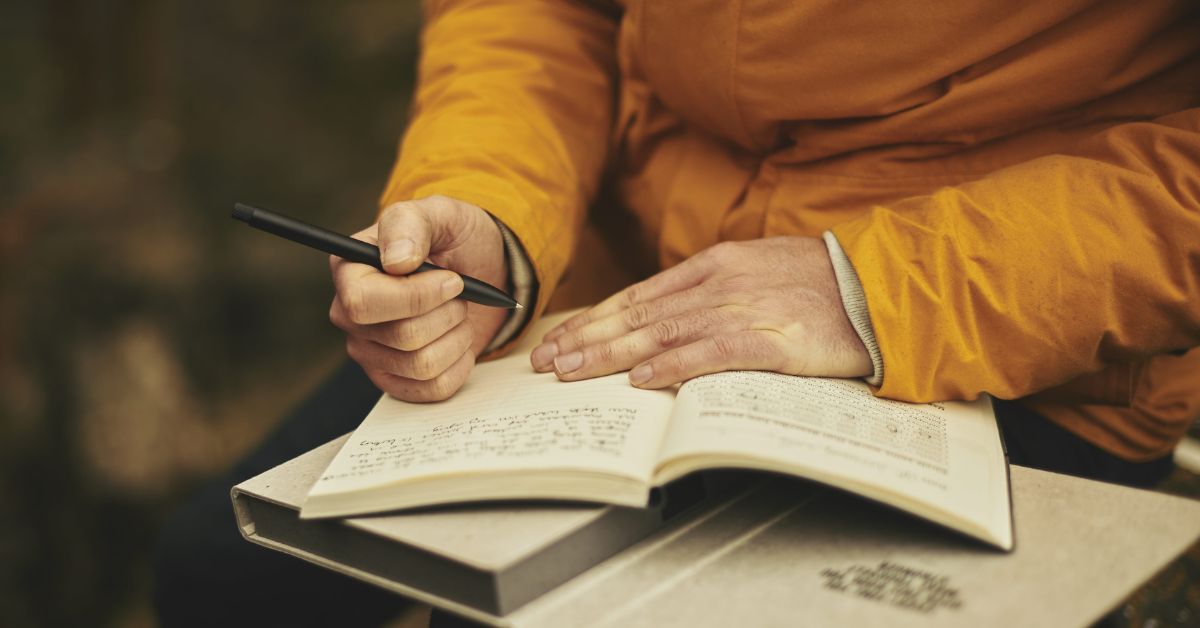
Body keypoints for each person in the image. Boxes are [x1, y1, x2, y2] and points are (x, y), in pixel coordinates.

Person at [156, 1, 1200, 626]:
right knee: (220, 574)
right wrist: (492, 204)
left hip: (1016, 343)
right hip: (617, 279)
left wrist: (883, 285)